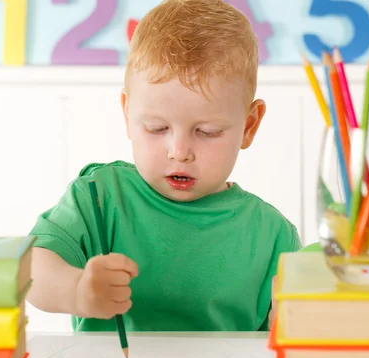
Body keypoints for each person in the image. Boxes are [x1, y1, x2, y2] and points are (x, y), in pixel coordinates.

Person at [26, 0, 301, 332]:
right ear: (128, 115)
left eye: (207, 132)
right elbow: (32, 269)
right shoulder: (99, 196)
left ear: (249, 126)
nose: (180, 152)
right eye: (157, 128)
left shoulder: (274, 236)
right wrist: (76, 290)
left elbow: (284, 343)